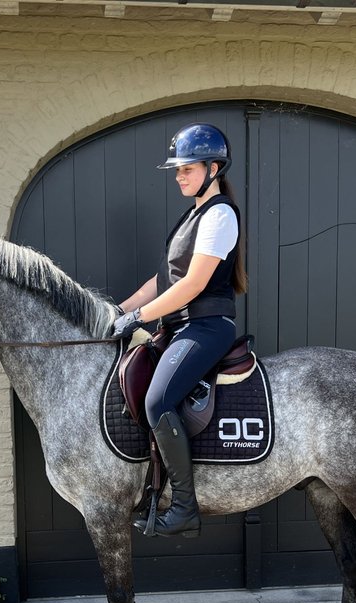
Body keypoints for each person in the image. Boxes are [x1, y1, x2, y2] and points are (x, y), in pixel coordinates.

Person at [111, 123, 249, 537]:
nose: (179, 176)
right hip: (179, 326)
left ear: (213, 167)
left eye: (186, 169)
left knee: (157, 401)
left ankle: (185, 508)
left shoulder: (220, 214)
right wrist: (119, 308)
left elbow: (193, 285)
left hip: (206, 326)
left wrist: (141, 318)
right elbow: (165, 280)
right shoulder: (193, 215)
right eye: (177, 170)